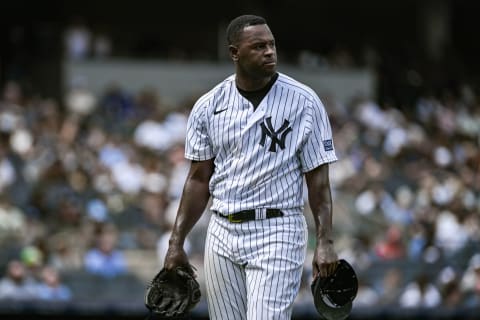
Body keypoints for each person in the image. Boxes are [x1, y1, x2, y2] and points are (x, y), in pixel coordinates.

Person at [162, 14, 339, 319]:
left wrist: (324, 241)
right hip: (221, 229)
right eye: (258, 46)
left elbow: (319, 183)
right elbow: (198, 180)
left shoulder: (304, 102)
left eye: (271, 45)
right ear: (234, 53)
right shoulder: (208, 105)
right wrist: (176, 242)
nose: (269, 52)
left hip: (278, 227)